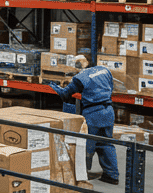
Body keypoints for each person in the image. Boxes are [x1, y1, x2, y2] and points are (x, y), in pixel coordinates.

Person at [49, 56, 119, 185]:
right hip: (108, 111)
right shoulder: (104, 70)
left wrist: (54, 87)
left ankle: (83, 174)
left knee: (87, 144)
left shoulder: (80, 78)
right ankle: (112, 175)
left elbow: (66, 94)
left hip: (93, 113)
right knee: (106, 143)